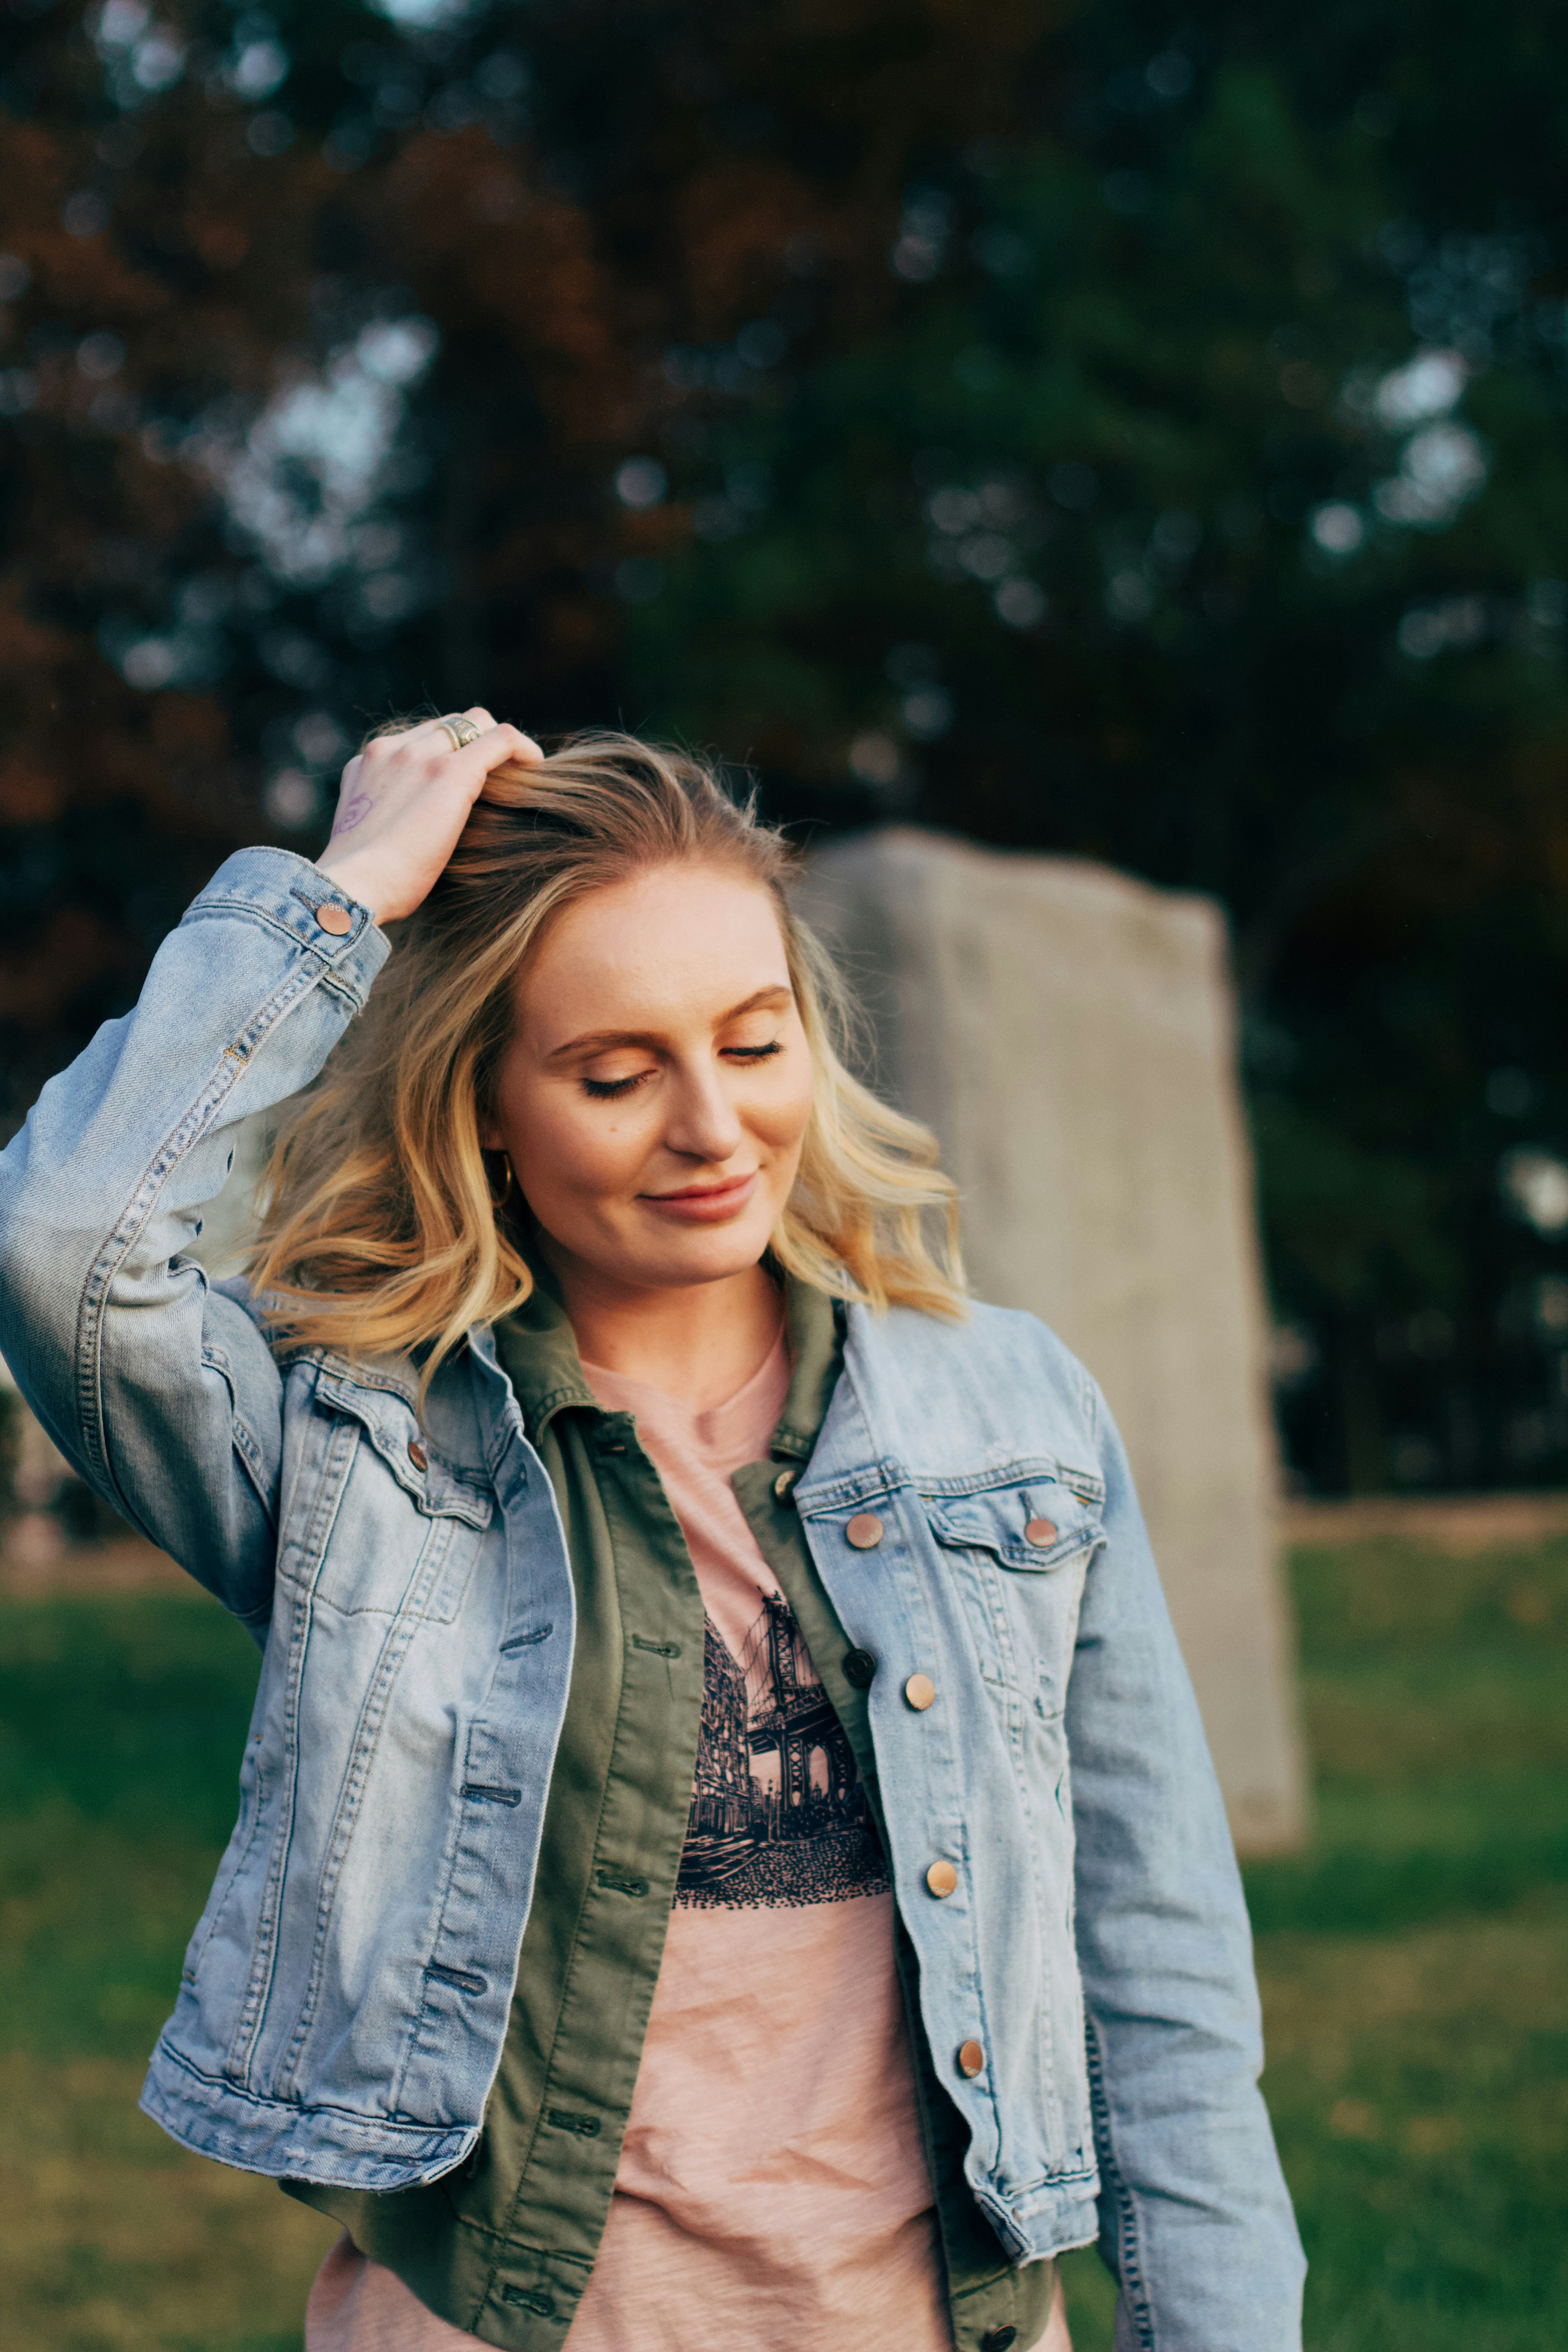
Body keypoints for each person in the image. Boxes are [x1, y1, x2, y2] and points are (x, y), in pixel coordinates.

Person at [0, 715, 1305, 2352]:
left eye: (753, 1045)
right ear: (484, 1105)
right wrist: (339, 896)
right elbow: (66, 1244)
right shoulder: (358, 1450)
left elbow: (1160, 1971)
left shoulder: (1012, 1416)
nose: (710, 1130)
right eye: (615, 1076)